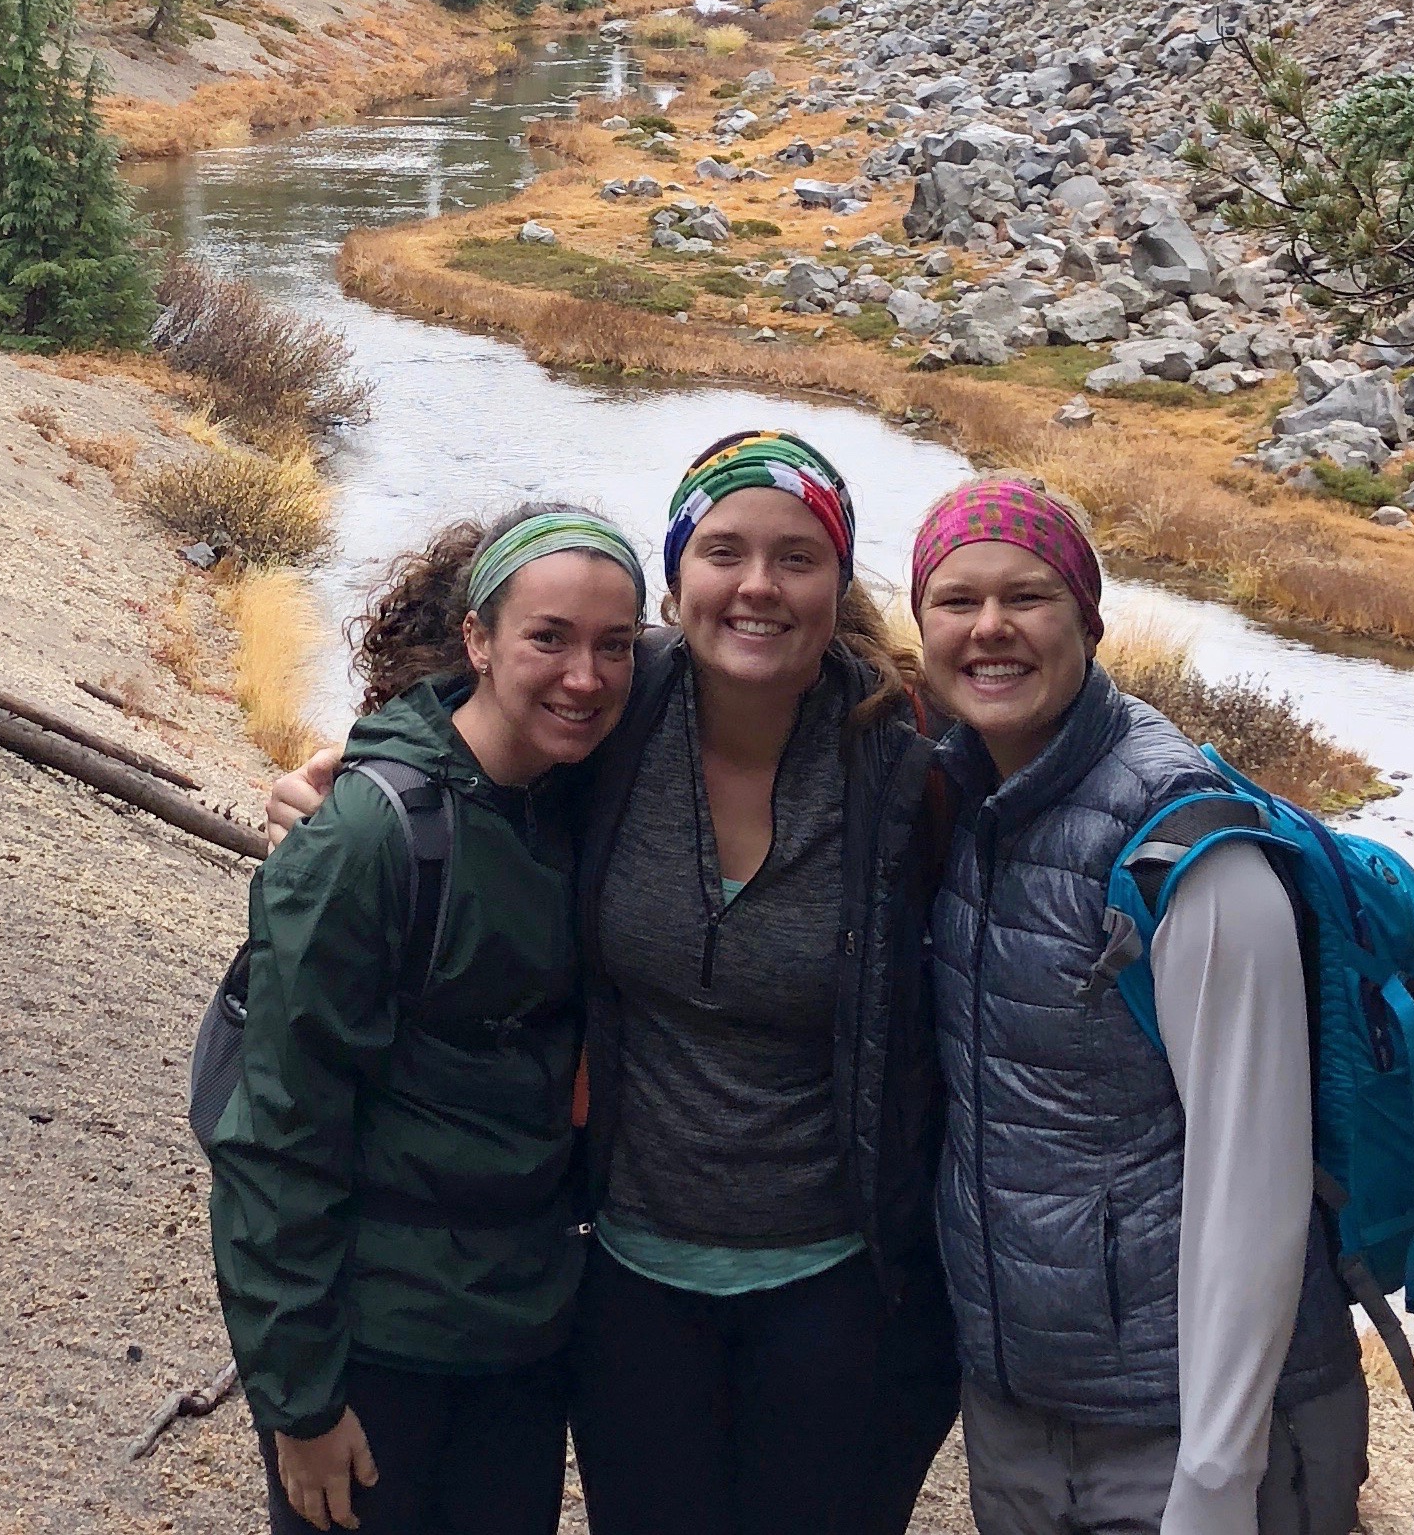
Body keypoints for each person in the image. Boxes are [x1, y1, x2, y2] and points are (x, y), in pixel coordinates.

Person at [266, 432, 959, 1535]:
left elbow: (1050, 796)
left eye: (798, 557)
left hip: (844, 1285)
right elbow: (477, 722)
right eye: (724, 550)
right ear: (677, 576)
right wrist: (351, 784)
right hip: (633, 1281)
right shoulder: (621, 711)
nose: (758, 587)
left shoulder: (912, 749)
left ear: (842, 580)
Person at [911, 477, 1367, 1535]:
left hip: (1196, 1434)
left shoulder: (1186, 844)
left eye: (1026, 596)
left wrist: (1215, 1477)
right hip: (1026, 1412)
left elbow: (1252, 1175)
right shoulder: (956, 794)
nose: (990, 628)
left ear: (1089, 618)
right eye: (956, 599)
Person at [209, 504, 648, 1535]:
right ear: (477, 640)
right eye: (548, 638)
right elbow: (277, 1136)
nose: (585, 675)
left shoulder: (575, 797)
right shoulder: (371, 839)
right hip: (378, 1349)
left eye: (614, 646)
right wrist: (300, 1400)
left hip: (521, 1344)